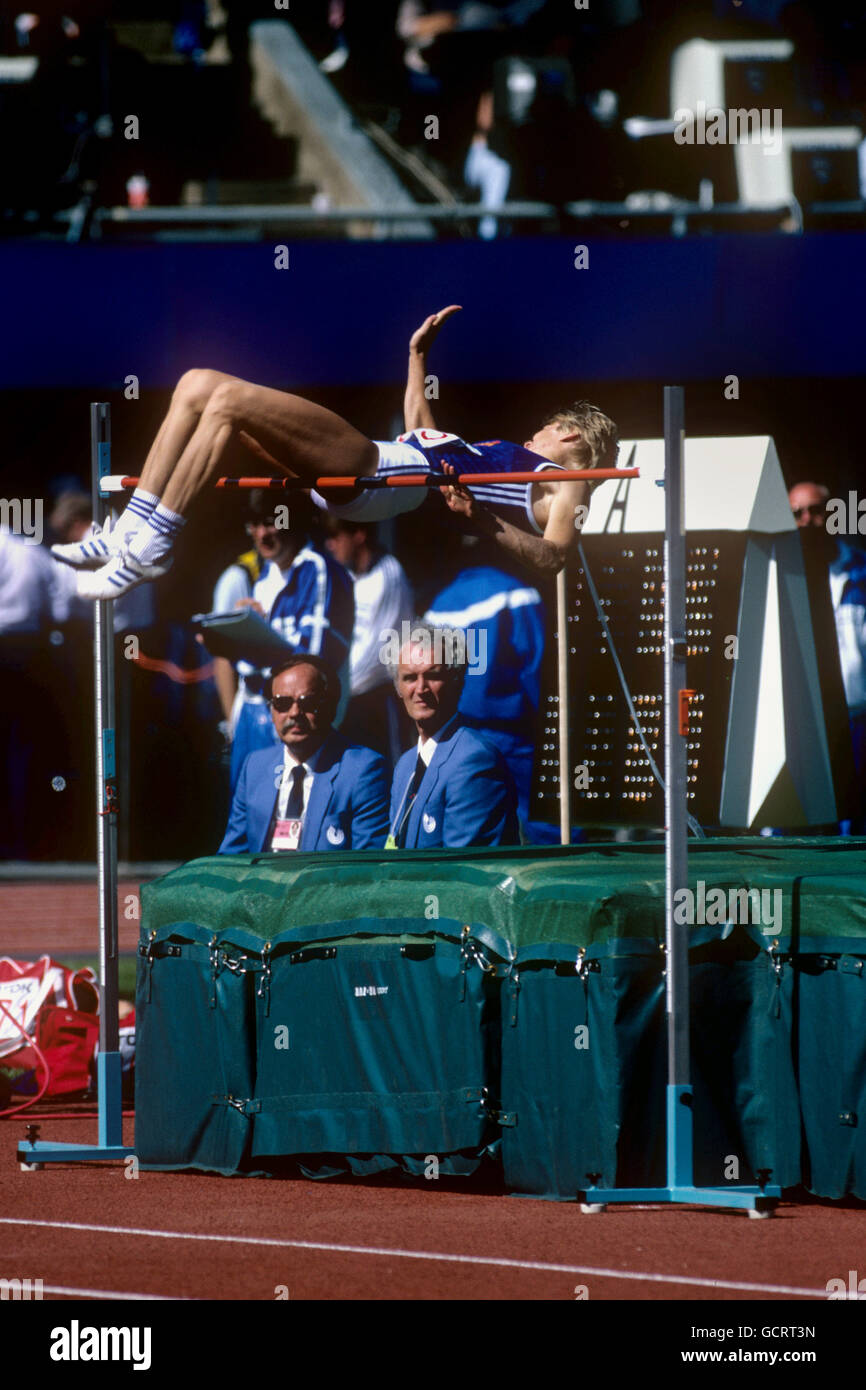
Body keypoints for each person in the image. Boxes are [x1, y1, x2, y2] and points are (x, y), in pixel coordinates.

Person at [51, 307, 618, 598]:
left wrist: (485, 522)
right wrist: (417, 356)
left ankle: (153, 544)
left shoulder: (569, 481)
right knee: (198, 385)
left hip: (377, 472)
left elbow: (555, 559)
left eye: (547, 429)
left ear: (569, 437)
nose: (536, 433)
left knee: (226, 401)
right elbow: (421, 429)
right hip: (387, 467)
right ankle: (130, 530)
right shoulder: (504, 456)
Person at [216, 490, 355, 792]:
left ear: (292, 522)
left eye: (270, 523)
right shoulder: (264, 577)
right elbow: (248, 662)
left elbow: (312, 663)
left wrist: (257, 641)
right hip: (252, 716)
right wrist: (231, 637)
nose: (261, 534)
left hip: (296, 719)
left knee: (292, 822)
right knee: (249, 822)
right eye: (254, 525)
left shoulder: (317, 569)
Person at [423, 539, 545, 832]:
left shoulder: (438, 607)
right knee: (543, 829)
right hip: (514, 737)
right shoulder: (516, 594)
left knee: (473, 829)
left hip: (455, 740)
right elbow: (536, 669)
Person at [219, 654, 389, 854]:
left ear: (331, 707)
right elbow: (232, 855)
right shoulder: (255, 767)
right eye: (282, 703)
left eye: (307, 703)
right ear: (271, 711)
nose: (294, 713)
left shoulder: (364, 770)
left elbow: (367, 864)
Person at [388, 622, 518, 848]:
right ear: (398, 688)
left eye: (433, 675)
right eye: (409, 678)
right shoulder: (405, 766)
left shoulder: (474, 760)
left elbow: (461, 873)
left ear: (457, 680)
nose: (420, 689)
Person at [322, 516, 413, 764]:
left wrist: (327, 692)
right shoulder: (346, 576)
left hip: (377, 705)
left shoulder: (389, 574)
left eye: (336, 537)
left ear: (359, 535)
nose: (330, 545)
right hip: (341, 700)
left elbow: (376, 656)